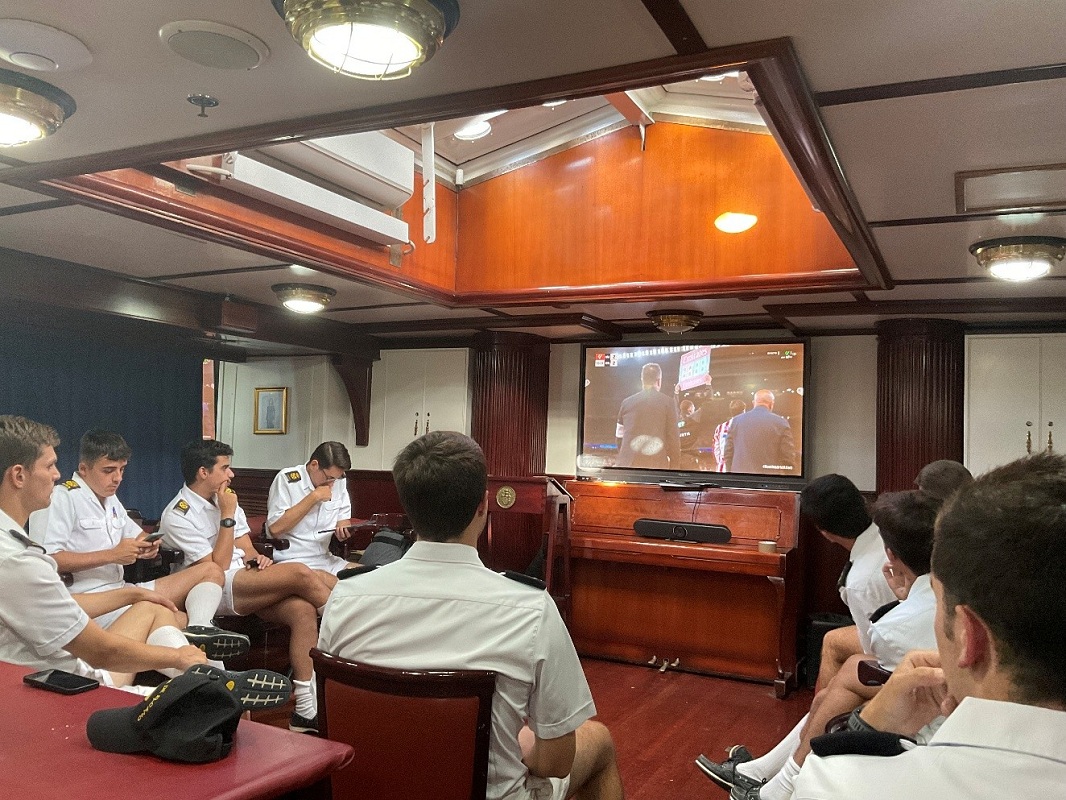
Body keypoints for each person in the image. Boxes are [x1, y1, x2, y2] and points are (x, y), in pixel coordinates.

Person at [319, 431, 624, 800]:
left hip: (373, 790)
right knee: (600, 742)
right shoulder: (531, 610)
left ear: (408, 506)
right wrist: (522, 746)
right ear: (484, 504)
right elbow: (557, 762)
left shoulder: (346, 596)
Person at [793, 452, 1066, 799]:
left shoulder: (838, 783)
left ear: (969, 635)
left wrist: (870, 727)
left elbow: (834, 776)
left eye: (935, 597)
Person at [699, 490, 940, 800]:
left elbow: (878, 650)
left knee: (840, 684)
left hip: (925, 713)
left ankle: (776, 783)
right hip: (920, 671)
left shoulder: (878, 600)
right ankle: (762, 775)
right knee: (841, 665)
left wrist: (902, 600)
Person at [0, 415, 207, 689]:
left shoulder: (13, 547)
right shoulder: (19, 559)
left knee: (161, 609)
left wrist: (130, 592)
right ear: (18, 475)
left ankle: (211, 677)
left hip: (46, 678)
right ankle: (213, 681)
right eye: (49, 465)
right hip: (67, 689)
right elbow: (101, 651)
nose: (57, 474)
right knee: (199, 706)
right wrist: (180, 657)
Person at [159, 439, 333, 732]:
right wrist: (227, 516)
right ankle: (350, 624)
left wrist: (258, 560)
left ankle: (304, 710)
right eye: (225, 468)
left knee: (303, 609)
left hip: (244, 581)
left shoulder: (226, 498)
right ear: (203, 472)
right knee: (303, 574)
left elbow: (246, 550)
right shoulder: (178, 513)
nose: (231, 475)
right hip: (210, 589)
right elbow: (218, 566)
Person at [32, 429, 248, 657]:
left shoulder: (110, 499)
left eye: (121, 469)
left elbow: (137, 535)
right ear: (84, 469)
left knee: (210, 570)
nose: (118, 478)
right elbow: (47, 560)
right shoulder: (62, 498)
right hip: (89, 600)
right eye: (108, 471)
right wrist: (112, 555)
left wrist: (148, 545)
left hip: (122, 588)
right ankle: (210, 677)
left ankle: (202, 628)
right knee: (177, 619)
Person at [799, 474, 896, 690]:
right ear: (862, 502)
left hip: (899, 657)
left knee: (834, 647)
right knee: (832, 640)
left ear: (824, 532)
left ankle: (821, 708)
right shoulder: (889, 529)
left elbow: (875, 652)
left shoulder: (860, 583)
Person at [266, 441, 357, 585]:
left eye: (337, 478)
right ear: (314, 465)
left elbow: (343, 519)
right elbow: (275, 529)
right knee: (341, 586)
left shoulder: (338, 481)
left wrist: (343, 529)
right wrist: (314, 497)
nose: (333, 483)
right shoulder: (287, 479)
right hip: (292, 561)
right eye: (329, 478)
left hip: (325, 558)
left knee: (370, 577)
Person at [614, 362, 680, 469]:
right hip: (654, 466)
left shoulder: (626, 403)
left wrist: (626, 455)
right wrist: (674, 469)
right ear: (659, 381)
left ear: (642, 380)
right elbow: (674, 440)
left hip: (626, 466)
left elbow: (619, 436)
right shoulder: (668, 403)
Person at [722, 389, 795, 474]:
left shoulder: (735, 421)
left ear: (754, 403)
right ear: (771, 404)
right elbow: (787, 457)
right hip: (768, 481)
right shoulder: (781, 423)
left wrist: (731, 474)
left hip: (739, 480)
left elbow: (728, 453)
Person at [712, 400, 747, 472]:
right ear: (744, 411)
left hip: (723, 469)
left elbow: (716, 449)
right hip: (742, 469)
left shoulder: (720, 427)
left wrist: (721, 462)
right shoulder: (747, 427)